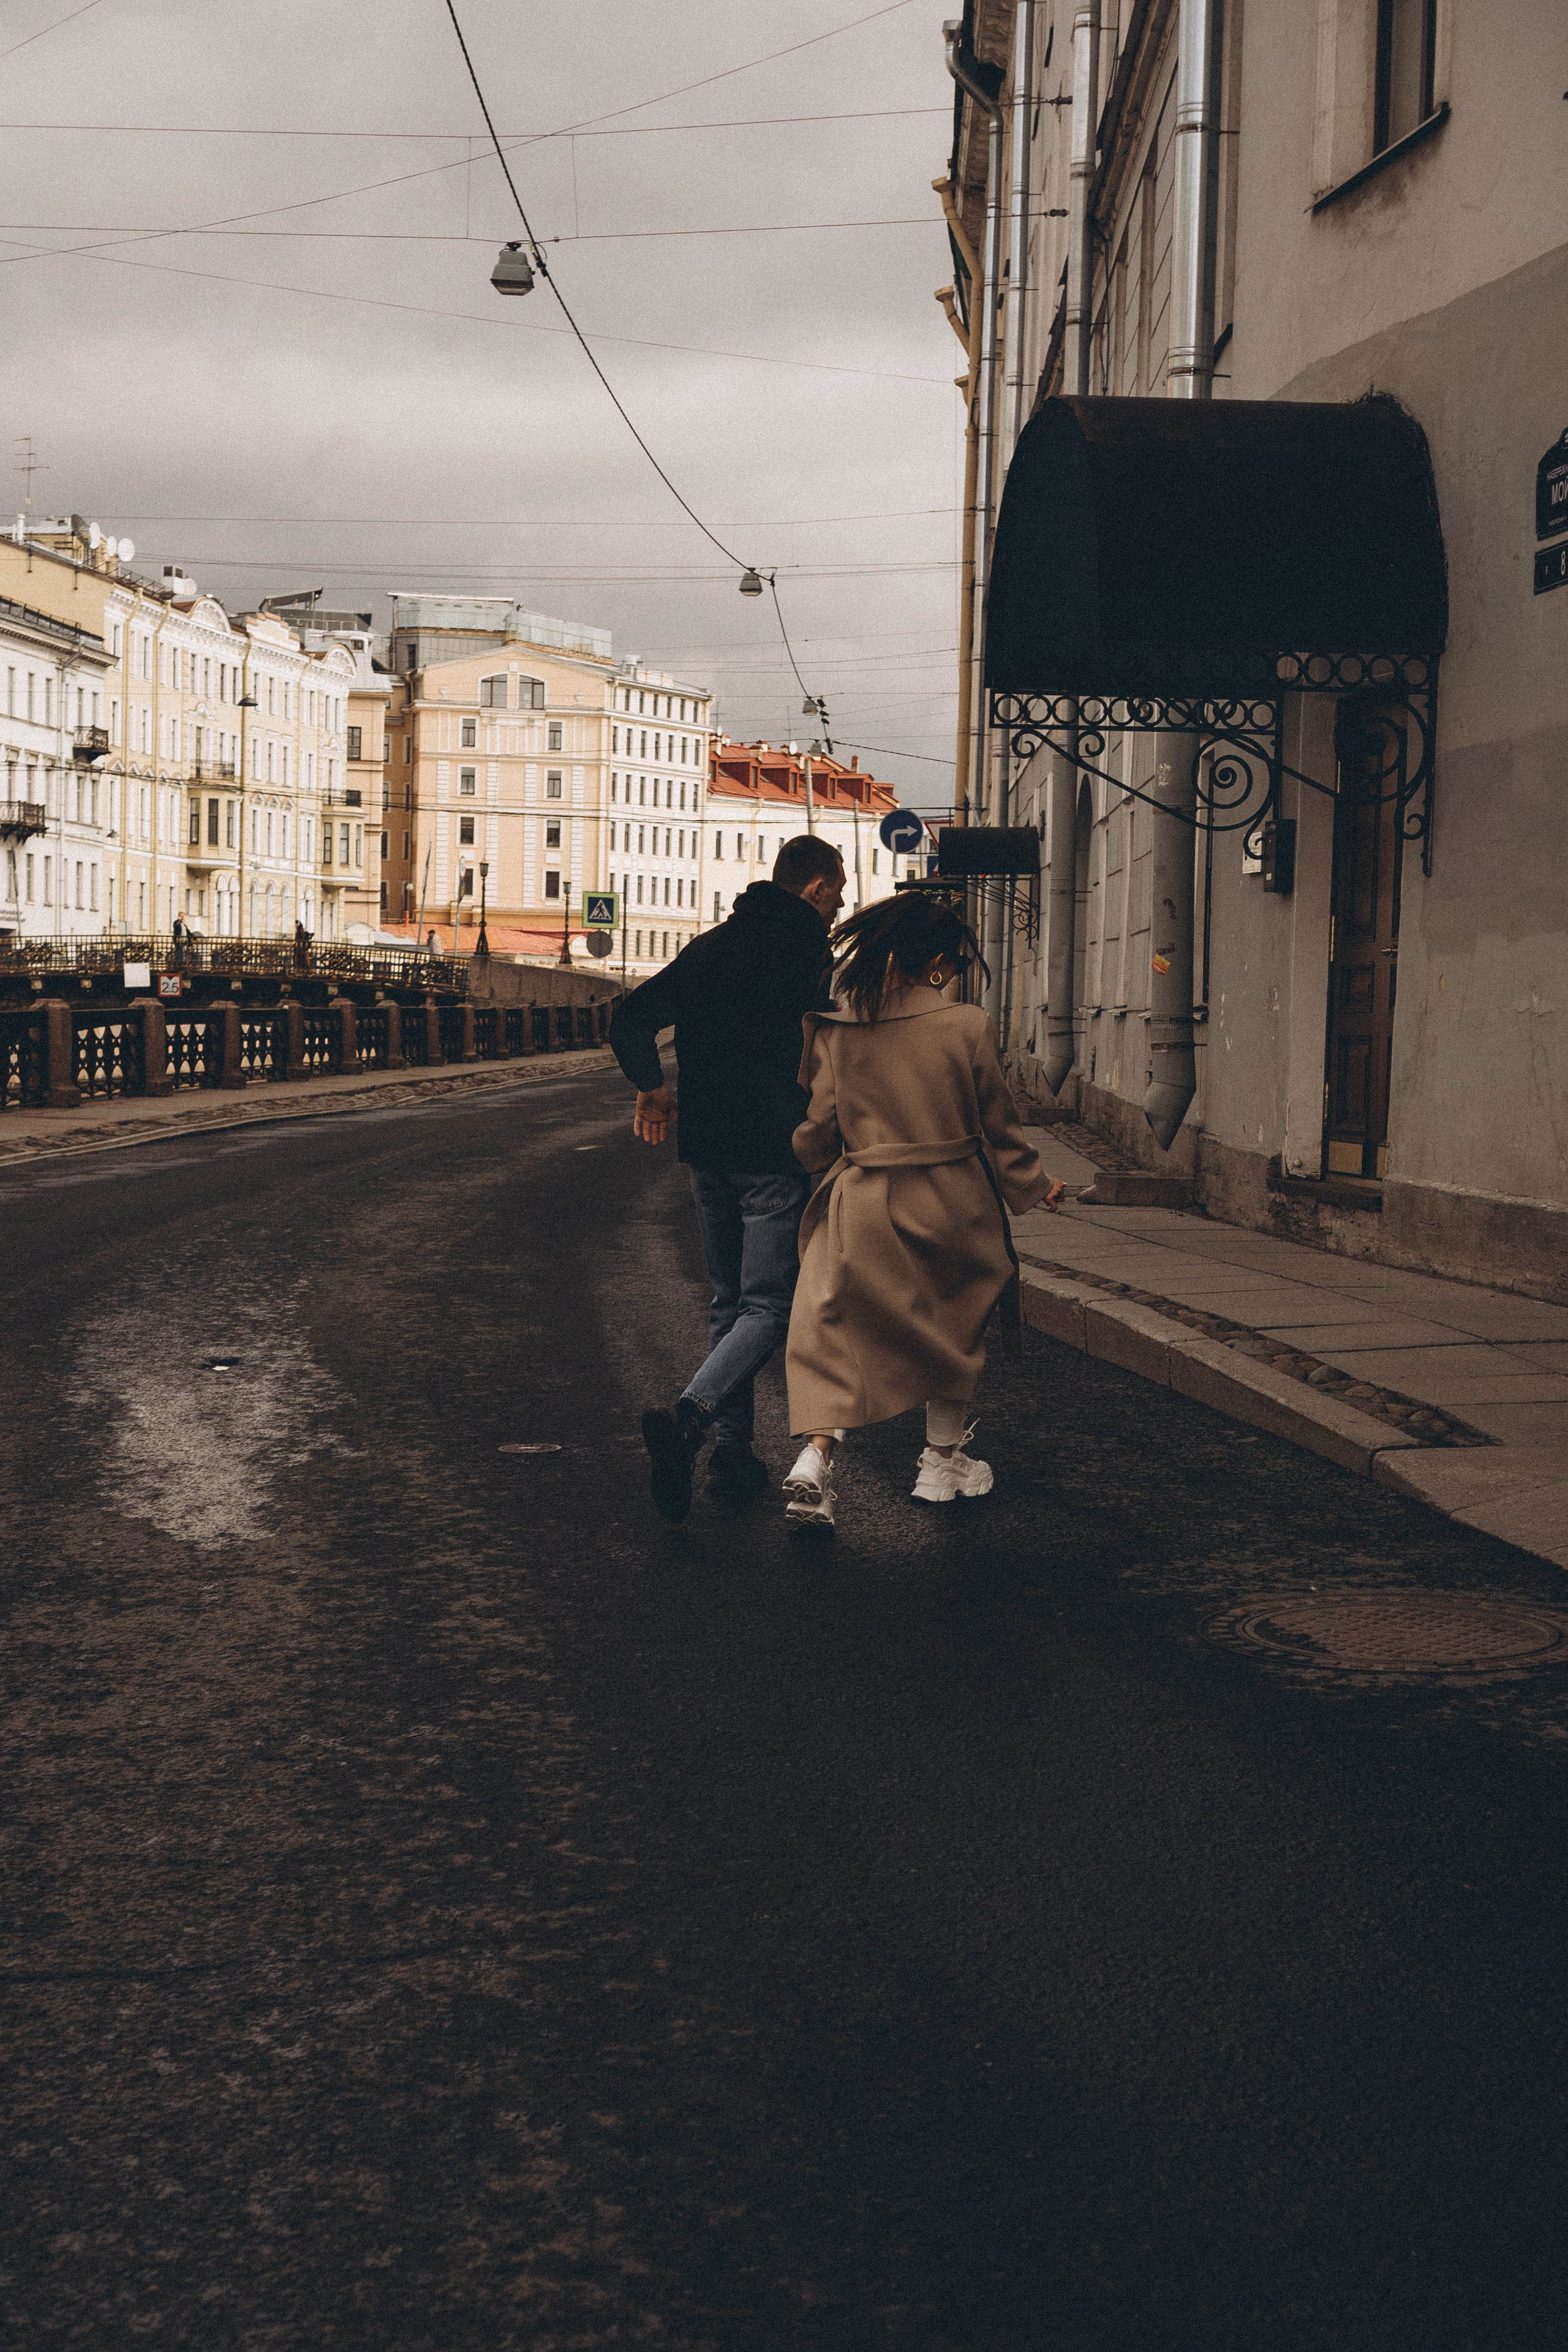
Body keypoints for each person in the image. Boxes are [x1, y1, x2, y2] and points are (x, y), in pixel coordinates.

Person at [781, 891, 1066, 1532]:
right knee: (953, 1329)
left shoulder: (838, 1026)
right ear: (937, 963)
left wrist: (807, 1157)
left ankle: (817, 1453)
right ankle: (940, 1462)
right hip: (951, 1199)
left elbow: (818, 1129)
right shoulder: (964, 1025)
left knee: (830, 1330)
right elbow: (998, 1124)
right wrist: (1033, 1184)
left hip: (862, 1198)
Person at [610, 834, 846, 1521]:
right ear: (812, 889)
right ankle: (692, 1417)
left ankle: (733, 1458)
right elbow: (832, 1049)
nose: (839, 907)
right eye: (836, 893)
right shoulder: (807, 953)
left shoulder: (708, 947)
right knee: (768, 1306)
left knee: (728, 1302)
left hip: (707, 1147)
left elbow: (630, 1019)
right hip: (775, 1149)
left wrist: (652, 1088)